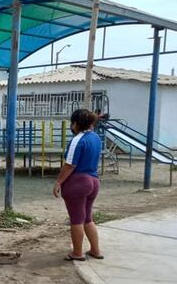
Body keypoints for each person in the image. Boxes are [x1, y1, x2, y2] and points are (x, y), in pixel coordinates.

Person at [53, 109, 104, 261]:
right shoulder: (96, 137)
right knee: (88, 218)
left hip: (78, 182)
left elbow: (70, 165)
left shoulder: (77, 140)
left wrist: (58, 182)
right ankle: (95, 250)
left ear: (75, 123)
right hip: (94, 181)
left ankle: (77, 252)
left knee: (76, 219)